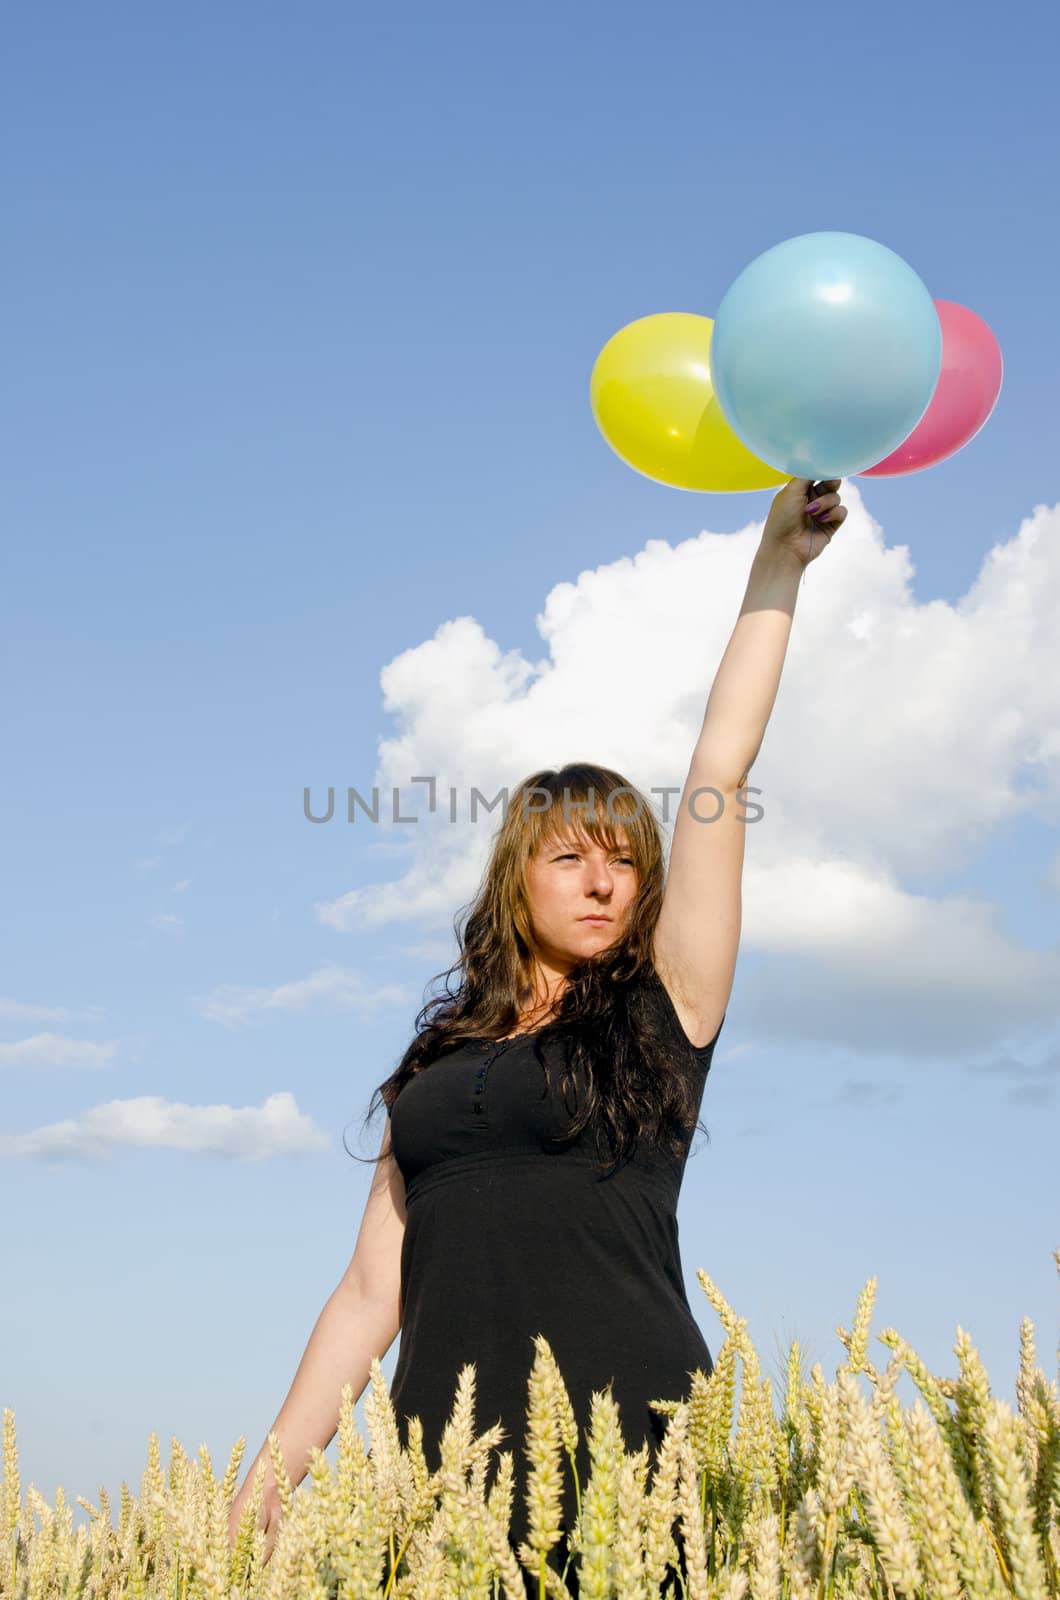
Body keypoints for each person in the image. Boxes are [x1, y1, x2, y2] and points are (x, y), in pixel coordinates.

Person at [226, 476, 847, 1587]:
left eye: (625, 859)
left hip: (635, 1457)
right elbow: (373, 1291)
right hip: (445, 1478)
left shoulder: (667, 1014)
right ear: (516, 879)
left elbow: (717, 771)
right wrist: (262, 1485)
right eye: (571, 856)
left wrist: (778, 563)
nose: (606, 880)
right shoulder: (436, 1066)